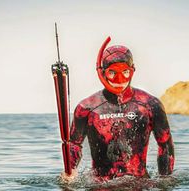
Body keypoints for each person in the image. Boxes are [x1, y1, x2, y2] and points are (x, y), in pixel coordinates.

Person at [61, 38, 175, 182]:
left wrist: (165, 182)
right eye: (112, 73)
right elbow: (74, 146)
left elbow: (165, 145)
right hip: (100, 187)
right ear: (102, 73)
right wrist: (69, 175)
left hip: (139, 185)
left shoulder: (150, 105)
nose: (120, 79)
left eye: (125, 72)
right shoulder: (87, 108)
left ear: (133, 70)